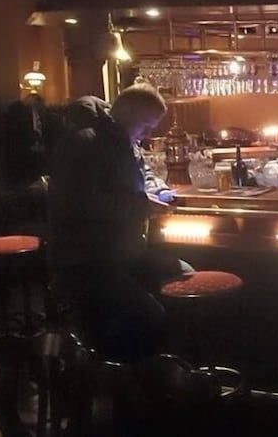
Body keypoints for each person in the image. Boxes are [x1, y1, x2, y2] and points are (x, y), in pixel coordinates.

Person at [48, 84, 190, 362]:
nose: (148, 134)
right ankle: (114, 372)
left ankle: (165, 369)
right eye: (146, 125)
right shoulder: (83, 142)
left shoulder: (124, 141)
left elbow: (143, 175)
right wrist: (141, 207)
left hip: (122, 253)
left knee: (184, 275)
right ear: (126, 112)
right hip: (85, 260)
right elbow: (82, 203)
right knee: (147, 315)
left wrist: (161, 191)